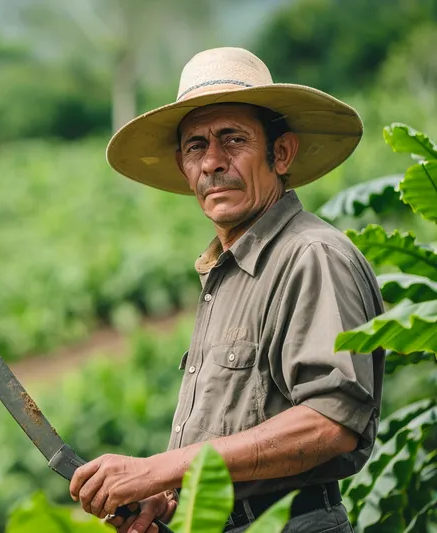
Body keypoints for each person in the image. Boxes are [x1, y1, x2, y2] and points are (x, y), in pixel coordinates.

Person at [68, 47, 385, 533]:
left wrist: (160, 467)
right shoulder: (227, 273)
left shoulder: (311, 255)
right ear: (183, 167)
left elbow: (331, 422)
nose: (213, 162)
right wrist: (170, 496)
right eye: (196, 146)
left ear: (281, 153)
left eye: (232, 140)